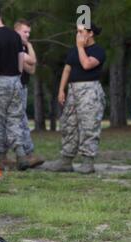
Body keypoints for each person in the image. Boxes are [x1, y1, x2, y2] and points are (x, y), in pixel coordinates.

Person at [46, 23, 106, 174]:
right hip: (73, 91)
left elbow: (86, 64)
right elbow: (67, 69)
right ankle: (66, 160)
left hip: (89, 91)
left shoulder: (98, 51)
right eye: (77, 32)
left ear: (90, 33)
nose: (77, 35)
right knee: (69, 125)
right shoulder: (73, 51)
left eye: (81, 32)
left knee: (89, 125)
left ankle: (88, 161)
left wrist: (80, 47)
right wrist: (61, 90)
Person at [0, 5, 29, 171]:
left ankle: (0, 159)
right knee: (15, 118)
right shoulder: (15, 36)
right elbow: (20, 61)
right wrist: (16, 76)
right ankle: (20, 152)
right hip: (15, 82)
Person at [14, 19, 45, 169]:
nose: (27, 35)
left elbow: (32, 68)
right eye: (25, 32)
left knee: (21, 119)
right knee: (18, 120)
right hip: (15, 86)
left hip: (23, 86)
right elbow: (32, 60)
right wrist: (30, 47)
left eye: (29, 33)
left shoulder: (23, 47)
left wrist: (28, 46)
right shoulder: (14, 44)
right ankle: (24, 153)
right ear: (17, 30)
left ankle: (25, 153)